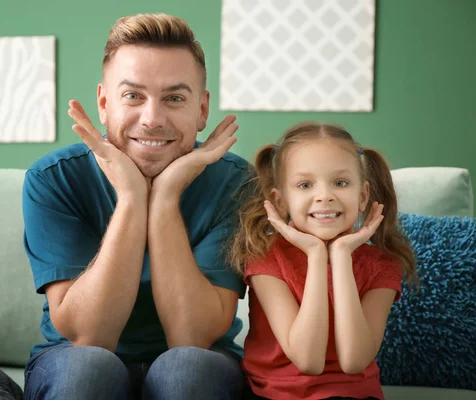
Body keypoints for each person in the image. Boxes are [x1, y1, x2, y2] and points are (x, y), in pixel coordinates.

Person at [21, 13, 251, 400]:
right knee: (88, 368)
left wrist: (164, 199)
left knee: (187, 369)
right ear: (104, 103)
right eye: (133, 96)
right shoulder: (53, 178)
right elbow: (89, 336)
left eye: (175, 98)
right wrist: (131, 199)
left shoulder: (235, 183)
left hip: (201, 365)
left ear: (202, 110)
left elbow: (191, 337)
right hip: (74, 361)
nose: (152, 119)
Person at [230, 123, 419, 400]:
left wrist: (341, 257)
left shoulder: (382, 264)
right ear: (280, 201)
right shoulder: (266, 258)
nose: (325, 196)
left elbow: (355, 361)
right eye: (305, 185)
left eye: (340, 183)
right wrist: (317, 256)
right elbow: (308, 360)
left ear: (363, 195)